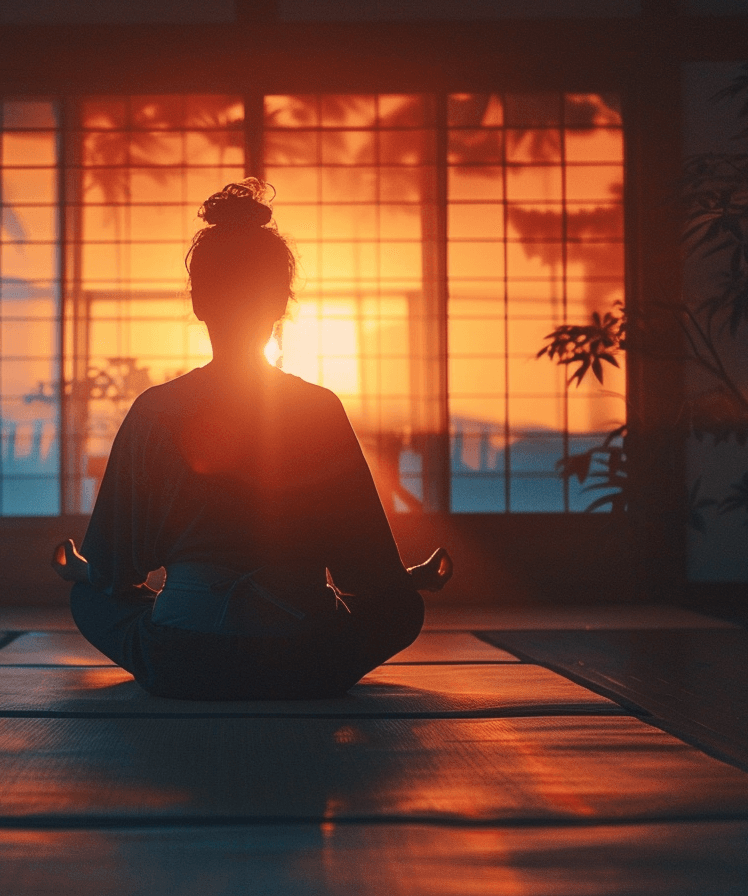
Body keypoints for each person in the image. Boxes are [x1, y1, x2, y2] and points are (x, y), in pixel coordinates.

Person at [53, 178, 451, 700]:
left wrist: (83, 570)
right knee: (403, 610)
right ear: (281, 303)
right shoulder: (319, 409)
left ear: (199, 301)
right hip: (305, 659)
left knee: (90, 601)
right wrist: (411, 580)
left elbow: (114, 571)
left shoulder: (155, 409)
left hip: (183, 658)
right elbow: (365, 572)